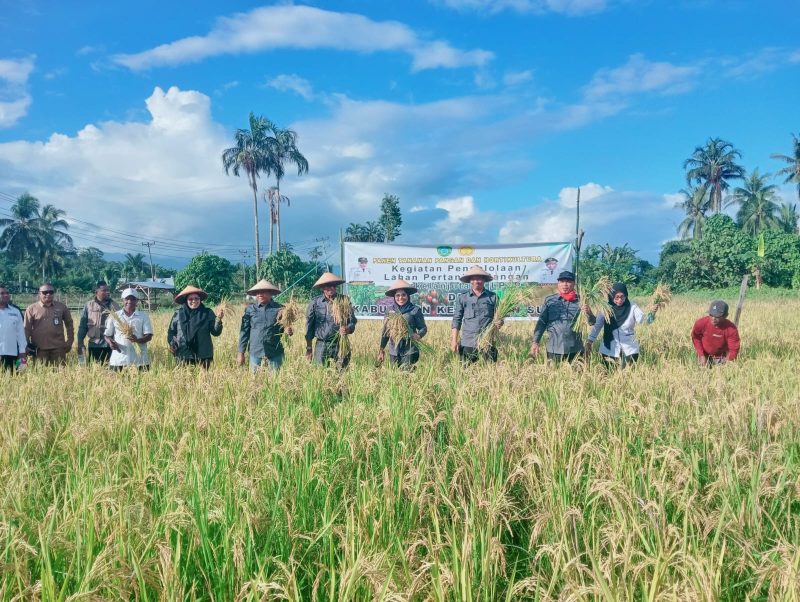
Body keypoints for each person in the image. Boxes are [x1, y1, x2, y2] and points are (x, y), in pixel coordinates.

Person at [585, 282, 655, 368]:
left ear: (626, 295)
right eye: (616, 297)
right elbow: (597, 326)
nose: (620, 300)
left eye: (622, 297)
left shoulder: (632, 307)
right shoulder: (605, 308)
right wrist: (590, 341)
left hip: (629, 349)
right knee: (608, 376)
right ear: (611, 296)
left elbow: (643, 321)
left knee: (627, 377)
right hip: (609, 349)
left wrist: (652, 313)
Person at [529, 271, 590, 363]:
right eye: (562, 281)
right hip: (554, 349)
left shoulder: (581, 300)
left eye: (568, 281)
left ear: (574, 284)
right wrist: (535, 342)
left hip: (575, 349)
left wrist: (588, 312)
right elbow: (542, 323)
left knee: (576, 377)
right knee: (554, 376)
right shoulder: (550, 301)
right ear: (558, 284)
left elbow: (592, 322)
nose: (565, 284)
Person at [450, 265, 503, 363]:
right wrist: (454, 341)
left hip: (488, 343)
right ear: (470, 281)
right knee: (466, 374)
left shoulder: (493, 297)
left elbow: (500, 318)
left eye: (479, 278)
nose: (477, 281)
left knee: (490, 373)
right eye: (474, 279)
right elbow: (456, 320)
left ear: (484, 280)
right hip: (468, 343)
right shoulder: (463, 298)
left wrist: (499, 322)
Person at [238, 279, 291, 372]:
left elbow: (285, 327)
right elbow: (244, 332)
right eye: (257, 292)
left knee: (276, 382)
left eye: (263, 292)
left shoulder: (280, 308)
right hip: (255, 352)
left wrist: (288, 330)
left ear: (270, 293)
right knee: (255, 382)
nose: (260, 294)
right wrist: (241, 353)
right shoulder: (250, 310)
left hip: (274, 352)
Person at [305, 272, 357, 367]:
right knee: (321, 375)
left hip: (340, 343)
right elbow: (309, 326)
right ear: (323, 287)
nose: (332, 288)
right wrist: (309, 348)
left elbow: (352, 321)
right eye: (328, 286)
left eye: (334, 285)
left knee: (342, 373)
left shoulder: (344, 300)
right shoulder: (315, 302)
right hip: (322, 344)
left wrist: (348, 329)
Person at [167, 285, 223, 368]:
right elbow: (171, 332)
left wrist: (218, 319)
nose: (194, 301)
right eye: (190, 299)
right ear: (186, 300)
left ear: (200, 299)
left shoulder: (207, 313)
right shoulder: (178, 314)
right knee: (184, 380)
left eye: (197, 298)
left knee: (204, 380)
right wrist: (172, 343)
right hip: (183, 354)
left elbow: (215, 332)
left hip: (203, 355)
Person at [377, 278, 428, 370]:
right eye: (398, 295)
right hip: (394, 350)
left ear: (408, 296)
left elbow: (423, 328)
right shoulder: (390, 311)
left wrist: (418, 335)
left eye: (403, 295)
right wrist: (381, 349)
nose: (401, 298)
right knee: (395, 377)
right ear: (394, 297)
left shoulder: (415, 310)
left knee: (406, 375)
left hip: (410, 350)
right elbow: (385, 332)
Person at [24, 282, 74, 366]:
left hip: (58, 349)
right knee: (40, 376)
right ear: (39, 294)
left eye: (51, 292)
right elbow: (26, 329)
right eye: (45, 292)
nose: (48, 294)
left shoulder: (61, 307)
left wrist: (69, 341)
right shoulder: (31, 309)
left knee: (61, 375)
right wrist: (26, 345)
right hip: (39, 350)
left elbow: (69, 325)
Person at [104, 288, 153, 371]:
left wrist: (138, 340)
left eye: (133, 299)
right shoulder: (115, 316)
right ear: (122, 300)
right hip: (119, 359)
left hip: (140, 360)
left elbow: (149, 336)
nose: (129, 301)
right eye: (127, 299)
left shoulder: (143, 316)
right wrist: (110, 343)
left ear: (137, 301)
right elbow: (107, 335)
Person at [77, 281, 118, 365]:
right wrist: (80, 342)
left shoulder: (115, 306)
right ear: (96, 292)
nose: (107, 292)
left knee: (111, 371)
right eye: (104, 290)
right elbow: (83, 326)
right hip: (94, 344)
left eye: (108, 290)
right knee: (94, 370)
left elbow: (120, 325)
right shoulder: (89, 305)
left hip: (111, 345)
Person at [691, 300, 740, 366]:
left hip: (722, 358)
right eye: (711, 315)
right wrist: (701, 355)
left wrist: (728, 362)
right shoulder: (701, 323)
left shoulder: (731, 329)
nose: (713, 318)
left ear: (726, 315)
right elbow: (696, 337)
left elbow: (733, 349)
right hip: (704, 355)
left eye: (717, 316)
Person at [0, 284, 27, 372]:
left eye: (7, 293)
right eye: (2, 293)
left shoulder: (15, 311)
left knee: (16, 378)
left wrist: (22, 352)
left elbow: (20, 333)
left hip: (13, 353)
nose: (6, 295)